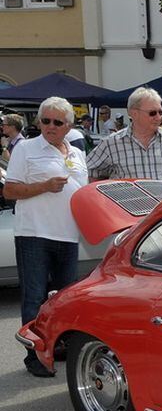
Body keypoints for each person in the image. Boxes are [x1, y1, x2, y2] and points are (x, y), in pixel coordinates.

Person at [2, 97, 89, 377]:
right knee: (35, 297)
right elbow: (10, 191)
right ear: (38, 122)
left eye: (57, 122)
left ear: (69, 126)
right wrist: (44, 186)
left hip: (68, 235)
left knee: (64, 298)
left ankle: (57, 346)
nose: (50, 126)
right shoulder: (26, 149)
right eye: (45, 120)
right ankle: (35, 356)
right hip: (34, 234)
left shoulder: (77, 154)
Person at [88, 87, 162, 188]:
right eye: (152, 113)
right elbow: (90, 172)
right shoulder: (111, 143)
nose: (159, 118)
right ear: (134, 113)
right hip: (128, 208)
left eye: (161, 112)